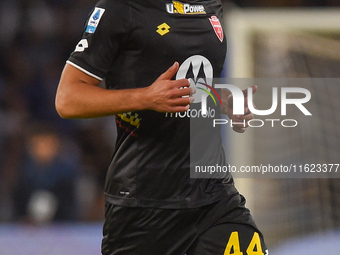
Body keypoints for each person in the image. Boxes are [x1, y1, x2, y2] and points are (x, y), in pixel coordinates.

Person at [56, 0, 268, 254]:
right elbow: (67, 99)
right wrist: (145, 97)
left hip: (213, 195)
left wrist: (220, 99)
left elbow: (191, 80)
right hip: (144, 205)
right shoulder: (121, 8)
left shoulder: (211, 6)